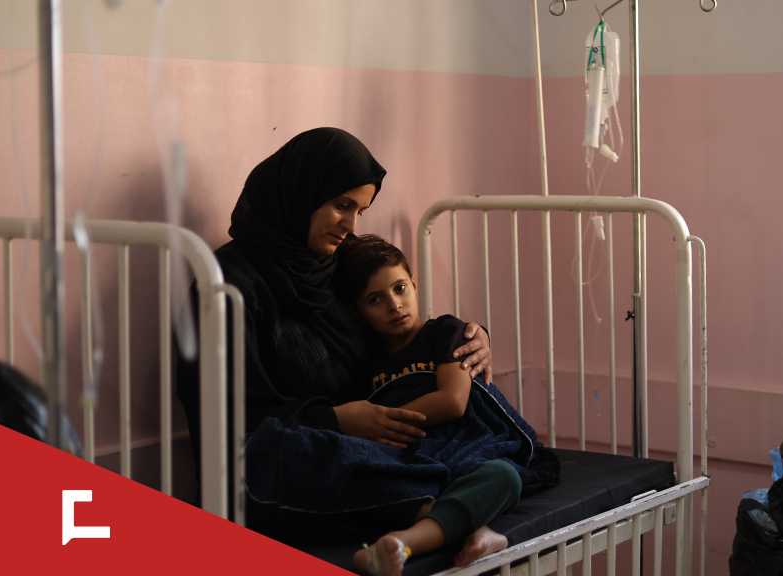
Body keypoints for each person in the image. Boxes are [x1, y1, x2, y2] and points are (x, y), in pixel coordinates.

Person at [176, 127, 495, 547]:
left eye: (360, 211)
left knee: (470, 435)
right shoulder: (227, 285)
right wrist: (336, 420)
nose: (350, 225)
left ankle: (436, 505)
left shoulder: (342, 265)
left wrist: (470, 339)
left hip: (372, 439)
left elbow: (402, 332)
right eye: (342, 206)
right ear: (300, 194)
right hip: (282, 456)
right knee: (289, 457)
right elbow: (227, 418)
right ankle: (447, 513)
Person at [335, 235, 544, 574]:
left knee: (503, 476)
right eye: (375, 300)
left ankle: (402, 544)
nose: (394, 305)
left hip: (463, 444)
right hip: (412, 456)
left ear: (414, 284)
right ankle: (476, 530)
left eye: (400, 288)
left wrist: (383, 422)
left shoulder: (444, 332)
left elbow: (453, 401)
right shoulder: (366, 364)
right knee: (352, 473)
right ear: (359, 311)